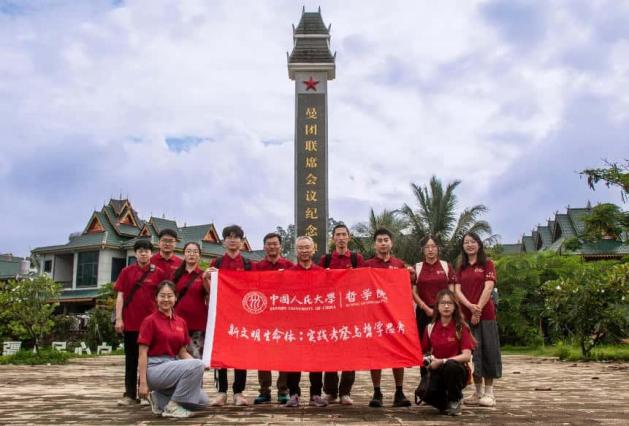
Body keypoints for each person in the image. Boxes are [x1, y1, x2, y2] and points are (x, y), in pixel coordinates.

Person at [137, 280, 209, 418]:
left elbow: (182, 352)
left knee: (202, 401)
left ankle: (158, 399)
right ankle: (173, 407)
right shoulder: (149, 321)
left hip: (172, 367)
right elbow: (142, 353)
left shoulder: (181, 322)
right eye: (162, 296)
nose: (166, 299)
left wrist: (199, 367)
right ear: (156, 298)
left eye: (169, 296)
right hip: (154, 369)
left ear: (176, 298)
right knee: (196, 365)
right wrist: (143, 383)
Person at [114, 239, 169, 405]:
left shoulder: (159, 273)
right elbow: (120, 296)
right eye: (140, 251)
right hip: (130, 323)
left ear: (151, 253)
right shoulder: (126, 271)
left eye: (146, 250)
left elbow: (165, 297)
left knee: (151, 361)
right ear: (135, 253)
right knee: (131, 360)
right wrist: (119, 318)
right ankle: (130, 395)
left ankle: (146, 394)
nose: (143, 253)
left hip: (152, 325)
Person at [364, 228, 412, 408]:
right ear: (374, 244)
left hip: (394, 316)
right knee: (375, 356)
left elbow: (408, 288)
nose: (383, 243)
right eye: (379, 240)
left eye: (386, 240)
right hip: (374, 317)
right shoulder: (367, 265)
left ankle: (399, 391)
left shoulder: (400, 265)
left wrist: (410, 275)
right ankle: (377, 392)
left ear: (392, 243)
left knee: (396, 353)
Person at [205, 225, 253, 406]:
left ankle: (239, 392)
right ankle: (222, 392)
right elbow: (210, 292)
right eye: (229, 237)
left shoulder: (248, 264)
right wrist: (205, 278)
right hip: (222, 316)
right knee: (220, 353)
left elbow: (257, 287)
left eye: (236, 237)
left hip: (243, 316)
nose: (233, 240)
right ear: (223, 241)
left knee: (241, 354)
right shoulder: (216, 263)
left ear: (242, 241)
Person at [319, 223, 365, 405]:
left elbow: (365, 282)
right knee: (330, 353)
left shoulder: (356, 258)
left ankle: (345, 392)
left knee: (349, 353)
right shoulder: (326, 259)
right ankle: (330, 392)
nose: (340, 238)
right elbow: (317, 282)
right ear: (333, 238)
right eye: (337, 235)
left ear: (349, 237)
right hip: (330, 314)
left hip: (351, 312)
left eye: (343, 234)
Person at [454, 232, 501, 407]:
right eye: (466, 242)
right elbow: (457, 290)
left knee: (488, 351)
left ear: (479, 244)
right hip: (465, 317)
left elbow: (489, 287)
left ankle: (489, 393)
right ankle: (478, 392)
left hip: (486, 316)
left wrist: (478, 310)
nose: (469, 245)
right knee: (472, 354)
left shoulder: (487, 264)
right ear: (463, 246)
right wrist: (469, 306)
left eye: (473, 241)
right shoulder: (461, 267)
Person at [284, 236, 327, 408]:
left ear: (313, 249)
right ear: (296, 251)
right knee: (292, 360)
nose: (304, 251)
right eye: (301, 248)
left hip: (316, 324)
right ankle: (293, 394)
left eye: (307, 247)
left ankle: (315, 395)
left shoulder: (322, 273)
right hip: (294, 324)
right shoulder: (288, 274)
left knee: (316, 361)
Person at [253, 232, 294, 405]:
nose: (272, 246)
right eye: (269, 244)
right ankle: (264, 391)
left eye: (275, 243)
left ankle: (283, 390)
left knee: (284, 355)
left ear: (280, 246)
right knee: (263, 355)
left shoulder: (289, 266)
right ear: (264, 247)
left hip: (284, 317)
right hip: (262, 317)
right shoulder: (256, 267)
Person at [420, 289, 475, 416]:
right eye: (443, 303)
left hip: (457, 370)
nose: (446, 306)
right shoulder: (430, 328)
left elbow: (467, 356)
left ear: (455, 307)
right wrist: (428, 360)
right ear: (437, 306)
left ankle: (455, 399)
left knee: (451, 366)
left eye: (450, 303)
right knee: (431, 398)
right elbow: (424, 352)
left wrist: (442, 361)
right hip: (437, 369)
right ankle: (443, 398)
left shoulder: (461, 327)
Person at [412, 235, 457, 341]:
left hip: (444, 311)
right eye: (427, 247)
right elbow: (413, 292)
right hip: (423, 312)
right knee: (423, 342)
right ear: (423, 249)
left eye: (433, 246)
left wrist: (444, 307)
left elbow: (452, 291)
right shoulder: (417, 267)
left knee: (444, 342)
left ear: (438, 248)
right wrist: (425, 308)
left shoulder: (446, 266)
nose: (430, 249)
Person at [172, 242, 207, 359]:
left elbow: (210, 294)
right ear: (184, 254)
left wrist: (206, 279)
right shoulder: (176, 275)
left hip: (198, 323)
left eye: (195, 252)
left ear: (199, 255)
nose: (192, 254)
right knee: (178, 359)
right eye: (188, 251)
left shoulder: (203, 275)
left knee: (197, 360)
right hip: (178, 322)